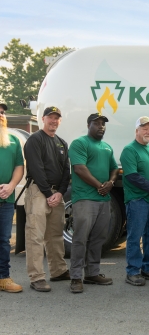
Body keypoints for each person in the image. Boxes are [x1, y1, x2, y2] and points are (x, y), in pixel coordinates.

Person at [68, 113, 119, 293]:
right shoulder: (80, 143)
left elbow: (115, 168)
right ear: (88, 125)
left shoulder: (106, 147)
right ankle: (75, 277)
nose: (101, 126)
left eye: (103, 124)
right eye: (96, 123)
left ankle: (92, 274)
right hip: (84, 198)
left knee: (98, 239)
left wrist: (111, 183)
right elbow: (79, 169)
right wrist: (99, 186)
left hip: (103, 200)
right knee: (80, 238)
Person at [23, 106, 71, 292]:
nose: (54, 121)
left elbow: (66, 171)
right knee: (35, 235)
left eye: (57, 118)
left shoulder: (61, 143)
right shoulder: (35, 140)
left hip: (56, 194)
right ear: (42, 119)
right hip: (38, 192)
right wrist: (49, 194)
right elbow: (36, 169)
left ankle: (58, 271)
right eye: (50, 117)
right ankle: (36, 277)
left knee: (55, 235)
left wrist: (60, 192)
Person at [120, 116, 149, 286]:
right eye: (145, 128)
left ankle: (148, 268)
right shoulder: (129, 150)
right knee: (135, 235)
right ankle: (133, 271)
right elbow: (132, 175)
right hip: (137, 200)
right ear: (137, 131)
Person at [0, 103, 24, 293]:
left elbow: (19, 167)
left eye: (2, 112)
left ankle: (3, 278)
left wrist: (11, 186)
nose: (1, 115)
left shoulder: (13, 141)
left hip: (6, 200)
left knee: (4, 241)